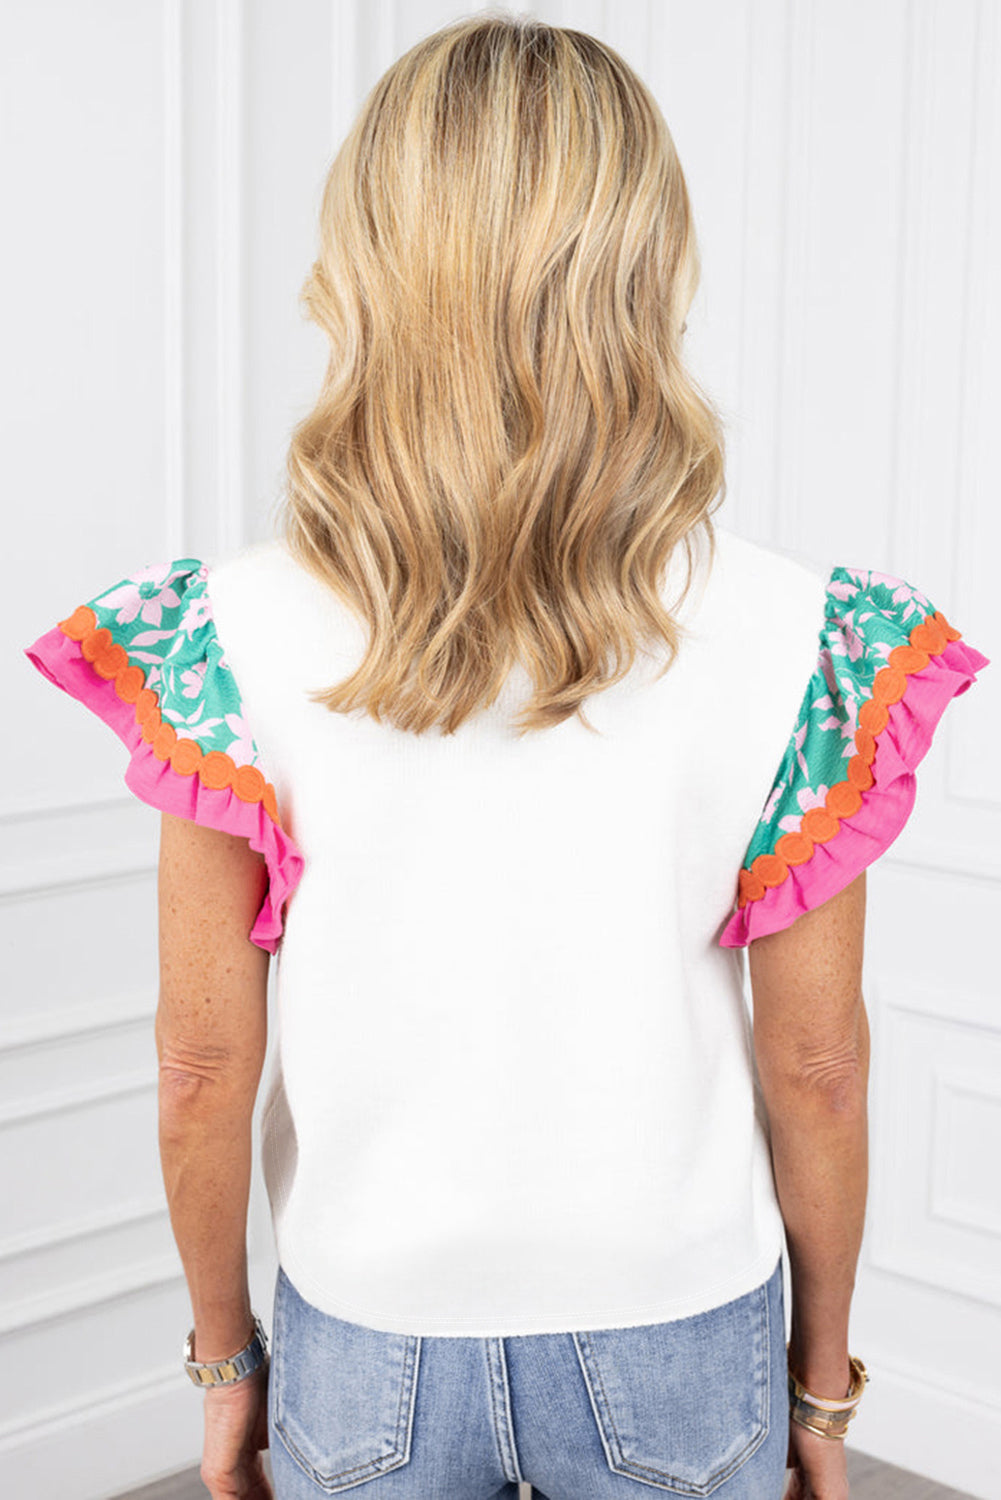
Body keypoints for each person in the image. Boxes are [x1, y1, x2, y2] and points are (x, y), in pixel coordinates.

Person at [22, 15, 989, 1500]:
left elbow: (201, 1069)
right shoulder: (807, 636)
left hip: (369, 1327)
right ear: (647, 265)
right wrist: (822, 1384)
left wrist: (224, 1364)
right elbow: (819, 1069)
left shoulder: (225, 635)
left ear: (370, 261)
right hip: (679, 1319)